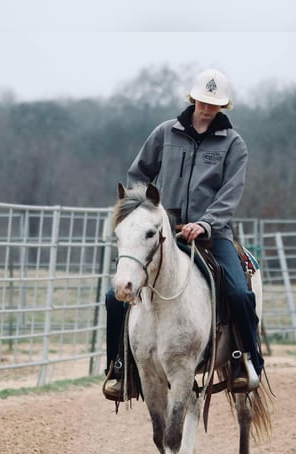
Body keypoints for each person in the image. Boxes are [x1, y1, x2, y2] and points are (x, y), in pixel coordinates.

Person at [104, 68, 264, 398]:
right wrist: (148, 213)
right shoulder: (165, 133)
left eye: (214, 103)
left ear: (223, 107)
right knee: (115, 296)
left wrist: (205, 223)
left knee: (238, 293)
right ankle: (119, 368)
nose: (207, 108)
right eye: (203, 101)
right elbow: (138, 176)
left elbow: (231, 193)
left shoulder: (234, 145)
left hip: (213, 234)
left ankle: (245, 362)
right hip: (166, 232)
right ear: (193, 99)